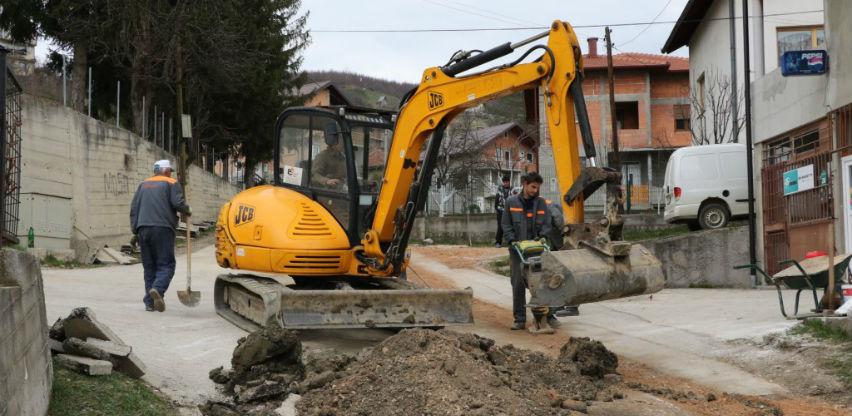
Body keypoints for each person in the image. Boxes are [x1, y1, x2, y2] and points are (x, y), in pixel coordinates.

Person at [130, 160, 191, 312]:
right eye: (170, 170)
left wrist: (135, 231)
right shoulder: (171, 183)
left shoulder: (143, 184)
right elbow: (177, 203)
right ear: (166, 170)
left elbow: (134, 209)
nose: (170, 173)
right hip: (162, 228)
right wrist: (187, 209)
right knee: (166, 265)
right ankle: (157, 289)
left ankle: (150, 303)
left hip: (143, 228)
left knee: (149, 267)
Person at [501, 172, 557, 331]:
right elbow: (506, 224)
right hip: (518, 249)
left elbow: (547, 223)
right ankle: (519, 319)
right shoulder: (511, 202)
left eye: (537, 188)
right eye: (533, 187)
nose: (535, 190)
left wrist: (542, 236)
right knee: (518, 283)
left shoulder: (541, 203)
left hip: (537, 248)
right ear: (525, 184)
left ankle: (548, 316)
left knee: (542, 282)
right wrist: (512, 240)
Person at [312, 123, 347, 189]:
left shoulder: (342, 158)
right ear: (334, 141)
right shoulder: (322, 156)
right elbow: (314, 175)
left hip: (341, 189)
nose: (344, 144)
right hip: (326, 190)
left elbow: (344, 175)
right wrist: (327, 181)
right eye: (342, 141)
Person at [493, 175, 512, 248]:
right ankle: (498, 242)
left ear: (509, 182)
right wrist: (496, 209)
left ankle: (511, 242)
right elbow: (496, 200)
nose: (506, 183)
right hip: (500, 211)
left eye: (507, 182)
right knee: (500, 227)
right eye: (504, 182)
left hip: (510, 211)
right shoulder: (499, 190)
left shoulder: (512, 190)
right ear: (503, 182)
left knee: (510, 227)